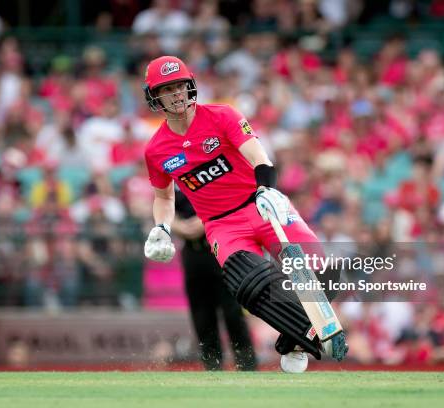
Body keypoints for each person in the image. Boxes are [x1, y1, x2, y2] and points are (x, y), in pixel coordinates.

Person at [142, 56, 348, 373]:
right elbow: (163, 196)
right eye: (168, 89)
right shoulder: (156, 149)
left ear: (191, 85)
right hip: (222, 226)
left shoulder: (222, 115)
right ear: (155, 96)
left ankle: (291, 339)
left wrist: (268, 189)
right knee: (246, 282)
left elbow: (257, 155)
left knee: (324, 272)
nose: (177, 93)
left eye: (181, 85)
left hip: (260, 204)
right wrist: (161, 227)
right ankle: (302, 332)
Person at [174, 186, 257, 371]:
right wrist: (177, 225)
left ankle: (247, 365)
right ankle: (212, 365)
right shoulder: (175, 172)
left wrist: (205, 220)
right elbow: (163, 205)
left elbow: (233, 200)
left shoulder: (213, 168)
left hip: (221, 247)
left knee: (232, 311)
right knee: (201, 314)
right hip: (192, 251)